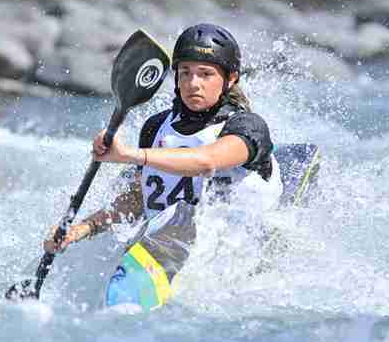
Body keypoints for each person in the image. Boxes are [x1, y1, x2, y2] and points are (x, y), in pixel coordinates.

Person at [44, 23, 281, 254]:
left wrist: (128, 155)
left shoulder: (247, 126)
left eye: (205, 74)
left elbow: (206, 161)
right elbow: (138, 198)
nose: (193, 83)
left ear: (230, 79)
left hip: (234, 248)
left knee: (183, 219)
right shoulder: (156, 127)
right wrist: (82, 229)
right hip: (169, 242)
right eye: (185, 72)